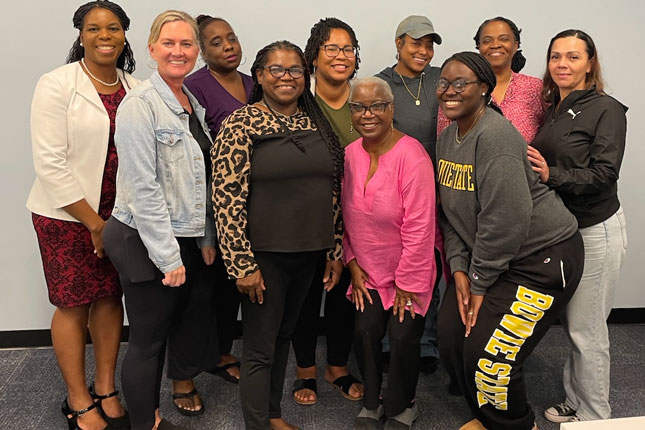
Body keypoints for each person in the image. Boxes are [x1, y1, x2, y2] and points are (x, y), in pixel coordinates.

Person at [435, 52, 585, 430]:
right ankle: (488, 418)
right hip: (493, 257)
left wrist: (480, 282)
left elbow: (506, 220)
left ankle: (517, 425)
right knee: (453, 336)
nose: (449, 91)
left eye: (461, 83)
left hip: (541, 258)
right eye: (444, 83)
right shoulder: (447, 139)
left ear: (484, 88)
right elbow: (450, 212)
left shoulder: (496, 135)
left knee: (491, 355)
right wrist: (458, 270)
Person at [212, 40, 344, 430]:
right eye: (277, 70)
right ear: (260, 75)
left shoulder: (313, 121)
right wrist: (241, 265)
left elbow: (331, 190)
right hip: (263, 257)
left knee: (284, 335)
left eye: (296, 70)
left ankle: (271, 415)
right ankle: (258, 423)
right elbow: (226, 198)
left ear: (306, 77)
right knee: (259, 348)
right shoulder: (242, 123)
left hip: (310, 251)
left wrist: (334, 248)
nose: (287, 78)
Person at [26, 1, 137, 429]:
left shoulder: (136, 86)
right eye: (94, 28)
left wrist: (114, 223)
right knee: (74, 305)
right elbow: (49, 162)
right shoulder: (57, 84)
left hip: (120, 216)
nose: (104, 36)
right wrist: (94, 223)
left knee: (110, 299)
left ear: (125, 34)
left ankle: (105, 388)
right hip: (66, 216)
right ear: (80, 35)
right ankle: (77, 399)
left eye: (113, 28)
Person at [103, 10, 211, 430]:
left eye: (186, 44)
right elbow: (143, 189)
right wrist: (168, 258)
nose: (178, 51)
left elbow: (198, 180)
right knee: (147, 340)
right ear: (151, 50)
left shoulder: (191, 102)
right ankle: (146, 423)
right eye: (169, 43)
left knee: (175, 325)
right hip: (141, 236)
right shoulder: (140, 105)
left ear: (196, 52)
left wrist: (203, 238)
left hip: (179, 231)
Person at [529, 29, 628, 424]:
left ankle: (595, 416)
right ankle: (576, 399)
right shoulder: (556, 104)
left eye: (572, 57)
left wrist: (550, 173)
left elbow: (604, 174)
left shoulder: (607, 109)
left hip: (597, 228)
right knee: (574, 326)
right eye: (556, 57)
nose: (562, 64)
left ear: (590, 62)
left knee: (588, 331)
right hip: (566, 230)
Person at [165, 14, 252, 403]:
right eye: (216, 42)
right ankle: (183, 375)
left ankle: (220, 352)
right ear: (202, 50)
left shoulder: (255, 82)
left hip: (254, 204)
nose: (228, 46)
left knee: (231, 287)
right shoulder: (193, 86)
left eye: (231, 38)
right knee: (199, 292)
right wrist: (207, 228)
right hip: (209, 205)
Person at [345, 76, 437, 430]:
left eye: (377, 106)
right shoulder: (351, 153)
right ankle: (372, 401)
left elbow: (421, 226)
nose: (368, 114)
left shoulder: (412, 156)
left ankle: (402, 405)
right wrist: (351, 261)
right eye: (359, 107)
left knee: (402, 337)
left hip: (409, 271)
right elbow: (347, 217)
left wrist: (407, 281)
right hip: (367, 270)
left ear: (391, 109)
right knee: (365, 331)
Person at [290, 17, 363, 407]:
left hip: (359, 216)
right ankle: (305, 369)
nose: (340, 56)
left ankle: (337, 366)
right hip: (308, 216)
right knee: (305, 292)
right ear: (313, 57)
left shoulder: (367, 99)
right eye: (331, 48)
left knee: (344, 294)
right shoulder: (299, 100)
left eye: (347, 48)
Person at [375, 14, 446, 377]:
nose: (424, 50)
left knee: (430, 270)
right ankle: (391, 342)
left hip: (443, 193)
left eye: (429, 44)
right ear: (399, 42)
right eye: (417, 42)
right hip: (396, 194)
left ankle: (427, 342)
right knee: (395, 266)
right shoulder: (381, 84)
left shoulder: (441, 80)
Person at [437, 17, 545, 144]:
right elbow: (445, 141)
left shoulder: (535, 88)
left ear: (516, 45)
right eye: (487, 41)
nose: (495, 45)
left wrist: (545, 164)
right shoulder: (459, 88)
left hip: (520, 163)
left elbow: (552, 136)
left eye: (503, 39)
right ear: (479, 47)